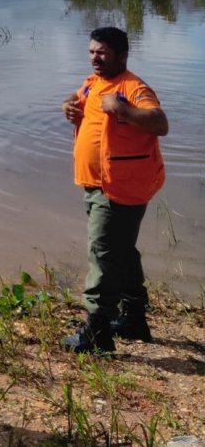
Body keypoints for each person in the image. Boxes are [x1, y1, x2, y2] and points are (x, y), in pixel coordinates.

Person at [60, 27, 168, 353]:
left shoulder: (134, 88)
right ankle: (134, 318)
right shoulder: (93, 83)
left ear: (122, 55)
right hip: (96, 184)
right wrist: (68, 106)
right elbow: (76, 100)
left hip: (120, 188)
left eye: (102, 52)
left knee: (104, 252)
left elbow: (160, 123)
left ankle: (97, 332)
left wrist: (121, 108)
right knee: (122, 249)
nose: (95, 57)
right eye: (92, 51)